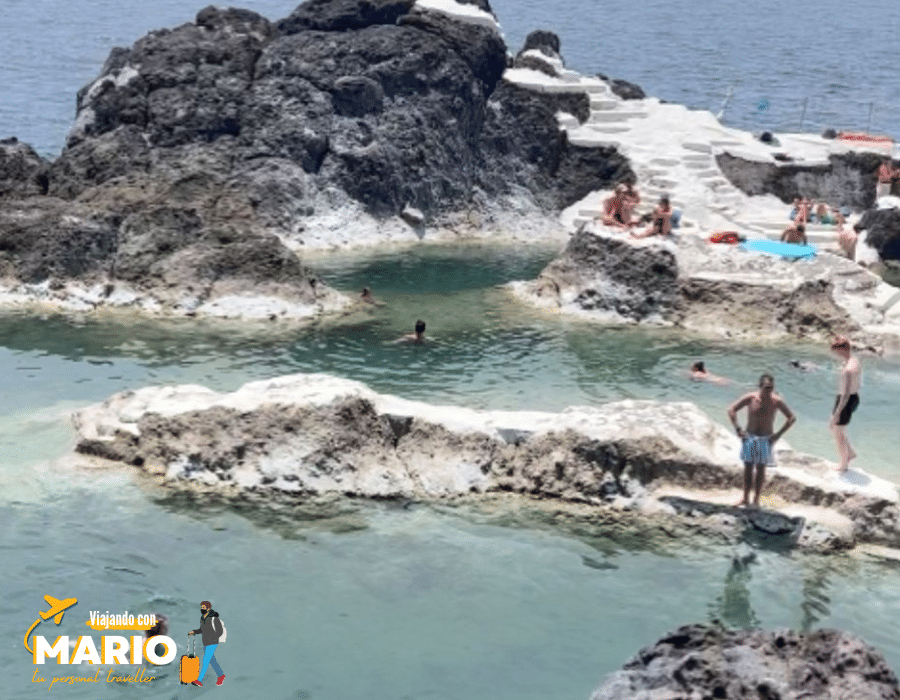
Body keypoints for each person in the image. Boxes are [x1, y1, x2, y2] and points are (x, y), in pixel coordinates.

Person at [727, 373, 797, 507]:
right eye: (766, 387)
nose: (768, 390)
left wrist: (778, 435)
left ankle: (756, 500)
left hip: (765, 439)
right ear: (760, 386)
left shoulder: (776, 401)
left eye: (771, 387)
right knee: (748, 469)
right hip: (750, 437)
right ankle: (745, 498)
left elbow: (792, 418)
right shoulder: (751, 398)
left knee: (760, 470)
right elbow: (731, 410)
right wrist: (738, 429)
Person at [829, 336, 861, 472]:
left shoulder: (848, 369)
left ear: (842, 350)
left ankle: (844, 464)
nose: (836, 355)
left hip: (846, 400)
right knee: (838, 429)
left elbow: (846, 394)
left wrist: (836, 414)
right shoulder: (855, 360)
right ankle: (851, 453)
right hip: (854, 398)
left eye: (837, 352)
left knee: (837, 432)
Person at [188, 600, 225, 687]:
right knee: (212, 661)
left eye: (204, 607)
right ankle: (221, 675)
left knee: (205, 661)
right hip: (205, 643)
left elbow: (220, 631)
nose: (202, 609)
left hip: (212, 643)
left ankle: (199, 680)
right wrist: (194, 632)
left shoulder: (214, 619)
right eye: (201, 607)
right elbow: (202, 630)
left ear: (208, 608)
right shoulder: (202, 618)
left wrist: (212, 638)